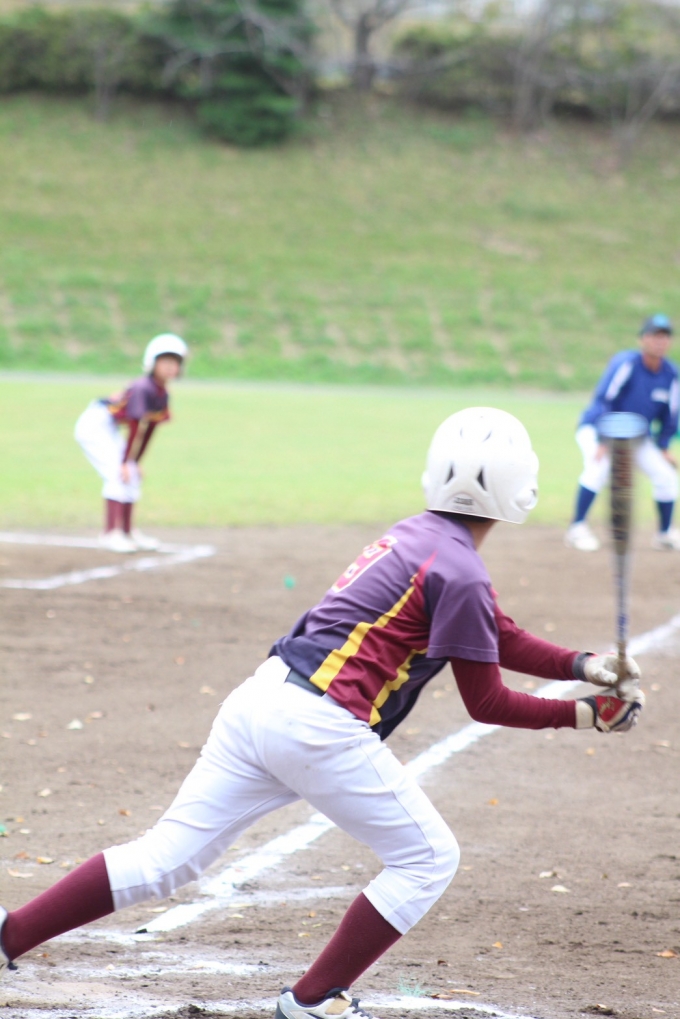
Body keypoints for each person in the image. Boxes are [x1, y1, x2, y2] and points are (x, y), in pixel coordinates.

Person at [0, 407, 645, 1019]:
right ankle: (314, 998)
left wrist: (584, 664)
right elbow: (487, 702)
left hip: (259, 701)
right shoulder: (463, 571)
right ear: (519, 487)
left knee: (165, 858)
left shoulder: (415, 535)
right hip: (318, 728)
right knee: (428, 859)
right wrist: (588, 715)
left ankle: (9, 934)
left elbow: (493, 632)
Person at [565, 314, 679, 552]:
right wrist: (602, 440)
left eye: (665, 336)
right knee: (599, 467)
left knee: (666, 475)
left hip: (636, 437)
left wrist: (663, 446)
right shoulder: (627, 363)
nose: (660, 341)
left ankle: (664, 534)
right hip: (597, 429)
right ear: (642, 339)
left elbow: (670, 416)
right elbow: (604, 400)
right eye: (654, 335)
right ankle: (577, 528)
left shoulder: (671, 374)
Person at [74, 334, 188, 553]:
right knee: (117, 473)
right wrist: (126, 462)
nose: (170, 366)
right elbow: (136, 427)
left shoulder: (162, 393)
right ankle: (110, 534)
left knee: (131, 473)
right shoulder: (143, 387)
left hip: (109, 427)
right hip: (94, 423)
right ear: (152, 362)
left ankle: (127, 531)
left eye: (175, 362)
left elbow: (149, 430)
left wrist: (134, 462)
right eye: (165, 361)